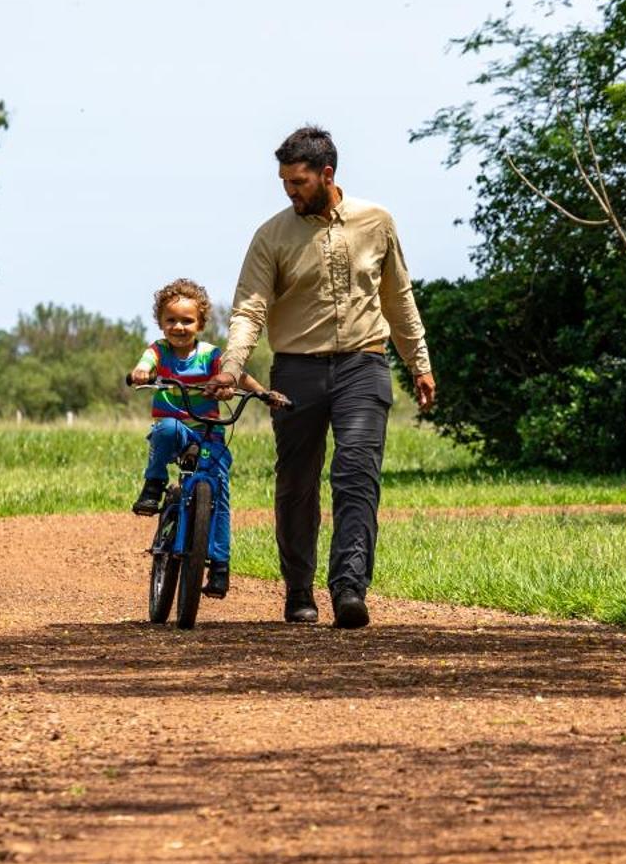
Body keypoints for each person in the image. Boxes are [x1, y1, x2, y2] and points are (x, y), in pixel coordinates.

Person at [207, 125, 435, 629]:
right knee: (297, 483)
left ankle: (350, 588)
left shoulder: (377, 222)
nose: (290, 191)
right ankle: (298, 590)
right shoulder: (272, 236)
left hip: (364, 364)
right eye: (284, 182)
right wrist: (232, 365)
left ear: (327, 174)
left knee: (356, 476)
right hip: (296, 371)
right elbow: (249, 307)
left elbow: (399, 299)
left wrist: (419, 362)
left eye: (298, 182)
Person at [128, 278, 267, 599]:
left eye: (187, 320)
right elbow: (145, 364)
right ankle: (154, 484)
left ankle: (219, 566)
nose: (178, 326)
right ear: (161, 323)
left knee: (218, 494)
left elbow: (238, 376)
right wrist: (141, 373)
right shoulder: (158, 351)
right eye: (171, 320)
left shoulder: (210, 355)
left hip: (209, 432)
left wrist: (263, 392)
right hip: (175, 430)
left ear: (201, 323)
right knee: (163, 429)